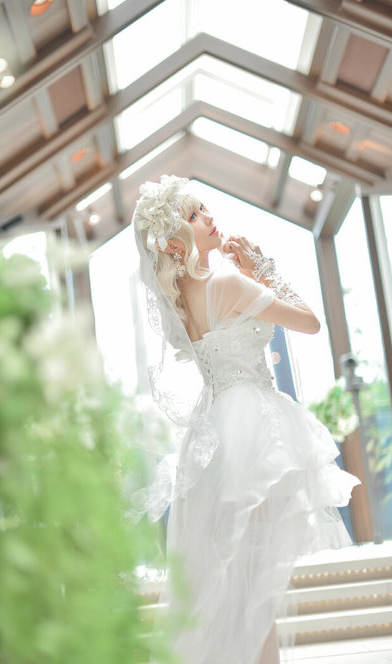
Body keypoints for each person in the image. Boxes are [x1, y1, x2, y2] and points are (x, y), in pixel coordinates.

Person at [128, 175, 360, 664]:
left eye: (205, 208)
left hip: (214, 433)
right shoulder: (228, 282)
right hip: (250, 423)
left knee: (241, 581)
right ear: (174, 242)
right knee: (254, 582)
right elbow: (309, 321)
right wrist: (262, 268)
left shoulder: (180, 303)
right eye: (194, 215)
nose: (209, 218)